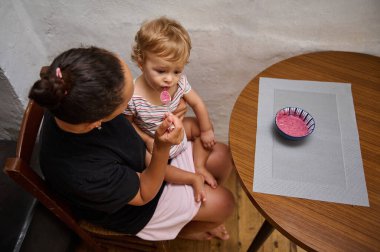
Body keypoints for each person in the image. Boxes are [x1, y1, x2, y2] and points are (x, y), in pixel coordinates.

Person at [29, 46, 235, 241]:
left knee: (221, 155)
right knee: (224, 204)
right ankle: (186, 229)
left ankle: (197, 214)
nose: (133, 101)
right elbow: (144, 193)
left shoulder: (75, 95)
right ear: (97, 122)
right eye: (127, 103)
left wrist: (150, 137)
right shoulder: (83, 174)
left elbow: (131, 139)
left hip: (142, 160)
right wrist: (162, 148)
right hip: (137, 203)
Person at [124, 17, 217, 202]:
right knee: (150, 163)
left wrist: (206, 131)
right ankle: (191, 178)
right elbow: (127, 126)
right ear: (141, 63)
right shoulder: (133, 96)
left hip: (179, 130)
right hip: (155, 144)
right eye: (161, 71)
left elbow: (197, 103)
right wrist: (148, 140)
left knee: (201, 125)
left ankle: (199, 166)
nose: (170, 79)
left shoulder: (179, 83)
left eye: (177, 71)